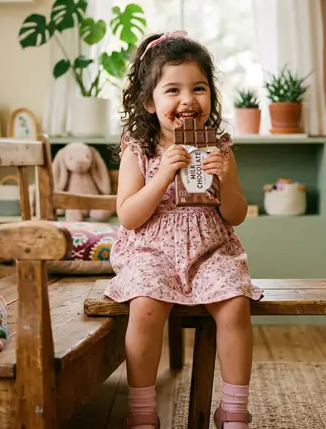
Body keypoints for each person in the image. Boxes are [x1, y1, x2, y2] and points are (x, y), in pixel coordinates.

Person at [104, 30, 263, 429]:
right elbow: (128, 215)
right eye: (172, 90)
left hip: (210, 249)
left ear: (211, 96)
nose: (188, 100)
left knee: (235, 301)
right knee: (145, 306)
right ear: (148, 102)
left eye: (199, 88)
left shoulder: (220, 147)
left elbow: (236, 213)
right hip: (150, 251)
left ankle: (234, 410)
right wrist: (163, 176)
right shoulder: (138, 149)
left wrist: (225, 179)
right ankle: (142, 413)